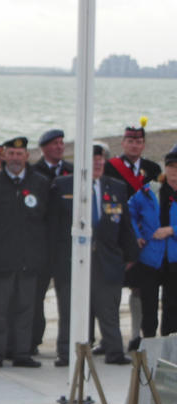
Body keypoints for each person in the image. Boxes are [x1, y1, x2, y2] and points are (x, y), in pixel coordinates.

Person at [49, 144, 138, 366]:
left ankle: (114, 351)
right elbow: (51, 225)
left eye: (101, 159)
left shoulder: (115, 187)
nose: (98, 163)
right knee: (70, 308)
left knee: (109, 309)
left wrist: (130, 256)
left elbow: (125, 225)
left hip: (106, 260)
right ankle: (66, 353)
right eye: (93, 159)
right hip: (72, 259)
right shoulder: (63, 185)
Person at [0, 137, 49, 369]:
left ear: (27, 156)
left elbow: (46, 221)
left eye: (20, 154)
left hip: (29, 260)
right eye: (11, 154)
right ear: (4, 156)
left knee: (26, 309)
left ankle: (22, 353)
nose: (16, 158)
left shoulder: (40, 183)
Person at [104, 121, 162, 351]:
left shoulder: (153, 169)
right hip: (117, 235)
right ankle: (111, 338)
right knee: (111, 287)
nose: (135, 145)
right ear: (123, 142)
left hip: (145, 240)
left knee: (141, 287)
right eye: (130, 141)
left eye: (139, 141)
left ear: (144, 144)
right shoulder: (110, 167)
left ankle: (136, 335)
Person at [31, 129, 74, 356]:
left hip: (64, 246)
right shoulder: (34, 172)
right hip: (40, 245)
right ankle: (33, 339)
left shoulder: (72, 172)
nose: (60, 147)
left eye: (61, 143)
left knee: (66, 297)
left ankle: (66, 345)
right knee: (36, 296)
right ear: (44, 147)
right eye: (55, 144)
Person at [126, 146, 177, 339]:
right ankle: (146, 344)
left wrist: (172, 230)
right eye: (171, 167)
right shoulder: (150, 190)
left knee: (172, 307)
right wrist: (136, 233)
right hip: (150, 257)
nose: (174, 172)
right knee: (148, 305)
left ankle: (169, 349)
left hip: (174, 260)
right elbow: (129, 212)